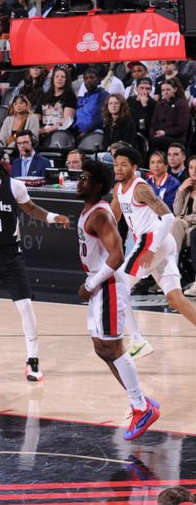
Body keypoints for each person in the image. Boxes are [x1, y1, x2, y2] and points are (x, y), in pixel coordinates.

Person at [0, 145, 69, 380]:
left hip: (10, 255)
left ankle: (33, 359)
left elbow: (31, 208)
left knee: (25, 307)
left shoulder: (14, 186)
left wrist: (52, 217)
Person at [76, 159, 161, 441]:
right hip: (100, 287)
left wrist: (90, 283)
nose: (79, 181)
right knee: (102, 348)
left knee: (112, 348)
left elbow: (117, 256)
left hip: (108, 286)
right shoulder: (90, 209)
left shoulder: (100, 215)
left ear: (97, 185)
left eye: (85, 178)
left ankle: (141, 406)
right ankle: (141, 402)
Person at [111, 148, 196, 326]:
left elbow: (168, 217)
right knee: (175, 299)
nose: (118, 169)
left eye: (123, 165)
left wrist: (152, 249)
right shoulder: (118, 188)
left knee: (119, 286)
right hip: (160, 242)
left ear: (134, 167)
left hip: (152, 239)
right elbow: (113, 218)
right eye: (116, 164)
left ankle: (136, 340)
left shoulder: (141, 188)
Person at [172, 156, 196, 296]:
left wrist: (185, 219)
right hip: (183, 227)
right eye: (191, 167)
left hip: (193, 227)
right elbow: (176, 211)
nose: (194, 171)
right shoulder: (186, 188)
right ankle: (173, 270)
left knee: (180, 224)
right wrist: (181, 190)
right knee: (175, 222)